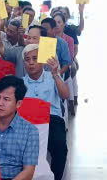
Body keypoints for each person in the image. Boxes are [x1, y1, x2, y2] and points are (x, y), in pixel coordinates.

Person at [22, 44, 72, 180]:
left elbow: (65, 95)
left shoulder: (52, 77)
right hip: (28, 121)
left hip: (52, 119)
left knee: (60, 148)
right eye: (27, 59)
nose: (31, 63)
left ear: (42, 61)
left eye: (35, 58)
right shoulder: (20, 83)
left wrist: (56, 74)